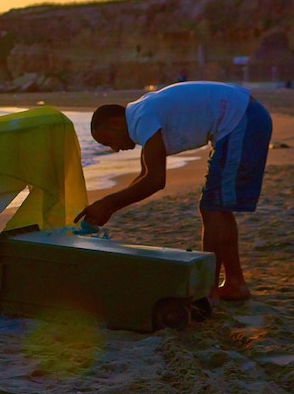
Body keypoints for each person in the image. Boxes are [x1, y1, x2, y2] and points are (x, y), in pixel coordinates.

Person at [75, 81, 272, 302]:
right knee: (217, 207)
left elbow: (156, 181)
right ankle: (234, 284)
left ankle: (209, 290)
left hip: (241, 119)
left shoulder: (141, 118)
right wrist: (110, 207)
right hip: (244, 115)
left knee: (213, 208)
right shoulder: (141, 113)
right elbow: (144, 175)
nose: (114, 148)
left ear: (115, 123)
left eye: (107, 141)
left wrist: (106, 203)